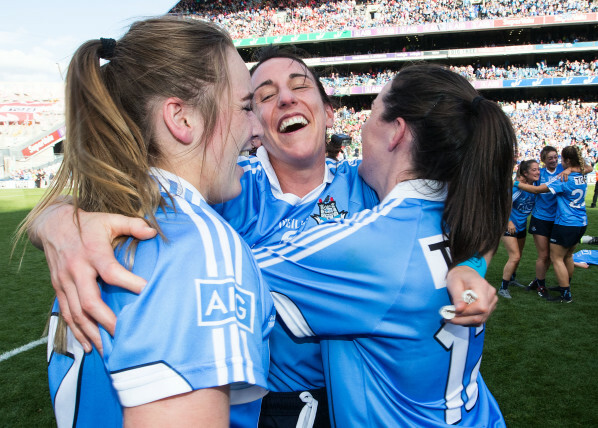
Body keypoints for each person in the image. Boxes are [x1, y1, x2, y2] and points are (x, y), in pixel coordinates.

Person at [27, 48, 498, 427]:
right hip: (254, 405)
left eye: (299, 86)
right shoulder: (226, 188)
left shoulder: (368, 188)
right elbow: (127, 210)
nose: (286, 100)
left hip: (347, 404)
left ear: (329, 113)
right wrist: (59, 221)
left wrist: (472, 265)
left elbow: (472, 192)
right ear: (253, 125)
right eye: (262, 96)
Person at [17, 17, 275, 427]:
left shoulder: (100, 223)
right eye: (245, 106)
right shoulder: (197, 246)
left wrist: (52, 217)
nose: (259, 128)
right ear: (182, 119)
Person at [253, 63, 514, 426]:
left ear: (396, 132)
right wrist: (473, 265)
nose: (361, 127)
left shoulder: (367, 247)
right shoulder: (459, 210)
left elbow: (223, 274)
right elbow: (491, 206)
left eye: (372, 112)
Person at [518, 146, 588, 303]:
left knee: (558, 257)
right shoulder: (541, 173)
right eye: (550, 157)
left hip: (561, 221)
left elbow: (586, 167)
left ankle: (564, 289)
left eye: (557, 157)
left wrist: (570, 170)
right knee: (545, 255)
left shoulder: (563, 172)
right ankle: (541, 284)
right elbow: (528, 181)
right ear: (543, 159)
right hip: (544, 219)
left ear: (564, 160)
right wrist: (520, 181)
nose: (555, 160)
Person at [498, 160, 540, 299]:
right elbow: (502, 206)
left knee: (519, 255)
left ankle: (512, 278)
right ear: (525, 173)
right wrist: (508, 222)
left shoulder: (535, 187)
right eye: (534, 170)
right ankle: (503, 288)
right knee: (514, 256)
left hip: (521, 226)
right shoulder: (517, 189)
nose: (537, 172)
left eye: (538, 169)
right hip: (508, 226)